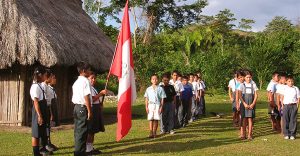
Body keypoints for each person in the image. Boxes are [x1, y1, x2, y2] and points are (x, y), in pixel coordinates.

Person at [72, 61, 93, 156]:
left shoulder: (76, 82)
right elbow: (86, 97)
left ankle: (79, 150)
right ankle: (79, 152)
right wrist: (89, 110)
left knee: (78, 130)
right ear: (84, 71)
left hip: (76, 107)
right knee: (82, 131)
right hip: (82, 107)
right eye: (89, 70)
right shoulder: (85, 81)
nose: (90, 71)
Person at [30, 66, 51, 156]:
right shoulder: (35, 86)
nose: (46, 77)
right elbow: (35, 102)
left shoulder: (40, 85)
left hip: (43, 108)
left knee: (41, 131)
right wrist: (39, 115)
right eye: (45, 75)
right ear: (40, 75)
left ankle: (41, 150)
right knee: (36, 132)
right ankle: (36, 153)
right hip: (38, 110)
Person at [86, 72, 107, 154]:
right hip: (92, 109)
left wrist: (100, 104)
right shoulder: (88, 88)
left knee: (94, 129)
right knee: (90, 130)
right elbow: (92, 99)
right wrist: (101, 93)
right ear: (87, 78)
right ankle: (87, 149)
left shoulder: (93, 88)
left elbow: (97, 99)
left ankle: (91, 147)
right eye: (91, 78)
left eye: (94, 78)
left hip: (96, 108)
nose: (93, 80)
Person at [237, 70, 258, 140]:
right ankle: (243, 134)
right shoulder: (242, 85)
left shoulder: (253, 85)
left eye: (249, 77)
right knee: (244, 119)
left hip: (251, 104)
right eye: (247, 77)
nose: (248, 79)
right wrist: (244, 104)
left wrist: (253, 104)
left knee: (250, 119)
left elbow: (256, 95)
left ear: (251, 77)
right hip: (244, 104)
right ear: (244, 78)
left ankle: (250, 134)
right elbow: (240, 95)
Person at [144, 74, 166, 138]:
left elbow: (162, 98)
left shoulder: (160, 89)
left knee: (156, 119)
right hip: (150, 105)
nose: (154, 80)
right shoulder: (148, 89)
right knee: (150, 119)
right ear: (151, 80)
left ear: (158, 80)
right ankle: (151, 132)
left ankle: (154, 132)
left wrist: (161, 107)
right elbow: (146, 98)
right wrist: (146, 107)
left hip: (157, 105)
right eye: (153, 79)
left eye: (156, 79)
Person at [43, 69, 58, 152]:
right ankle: (46, 143)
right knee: (46, 127)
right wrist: (51, 113)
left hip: (52, 109)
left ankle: (49, 142)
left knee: (49, 127)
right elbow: (48, 102)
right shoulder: (47, 89)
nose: (55, 79)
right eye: (53, 78)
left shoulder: (51, 89)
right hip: (48, 109)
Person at [282, 76, 300, 140]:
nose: (290, 82)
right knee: (286, 120)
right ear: (286, 82)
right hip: (286, 106)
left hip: (293, 105)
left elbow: (298, 98)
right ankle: (286, 134)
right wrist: (282, 105)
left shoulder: (296, 88)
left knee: (293, 120)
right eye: (289, 81)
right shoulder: (284, 88)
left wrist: (297, 106)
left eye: (292, 81)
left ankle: (292, 134)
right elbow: (282, 97)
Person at [235, 69, 245, 139]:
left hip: (248, 103)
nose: (241, 79)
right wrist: (237, 104)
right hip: (241, 103)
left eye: (242, 77)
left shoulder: (247, 83)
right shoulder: (238, 84)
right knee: (242, 118)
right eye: (239, 78)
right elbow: (237, 96)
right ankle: (242, 133)